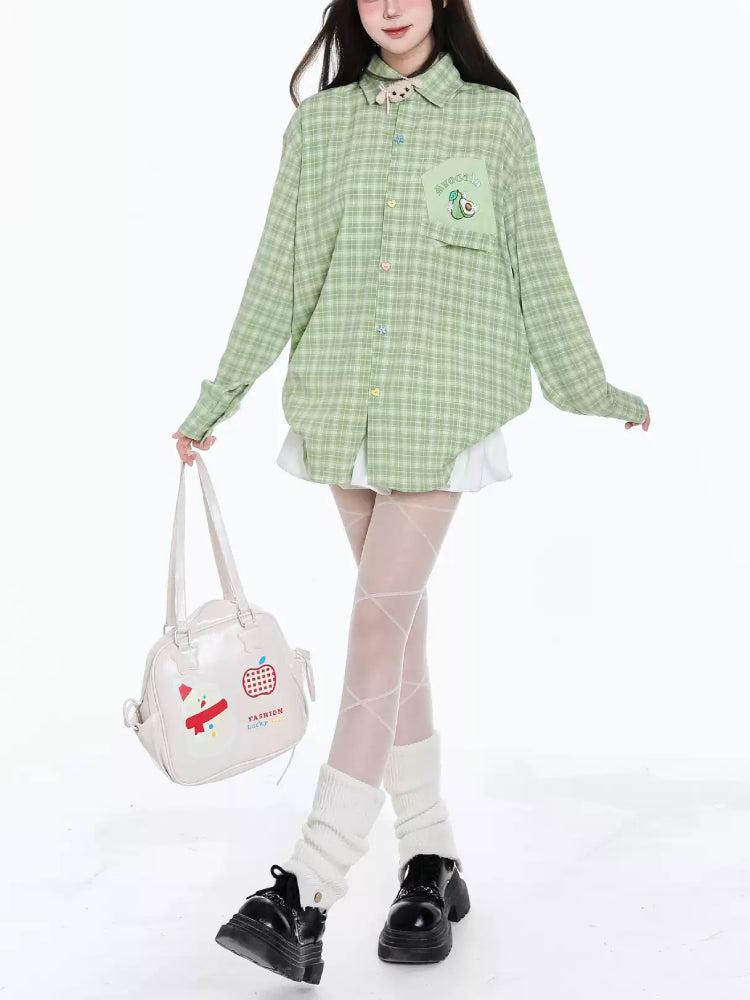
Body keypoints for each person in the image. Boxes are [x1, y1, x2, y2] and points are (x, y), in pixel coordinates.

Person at [172, 0, 650, 985]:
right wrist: (217, 398)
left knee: (375, 628)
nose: (392, 6)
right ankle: (431, 856)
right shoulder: (319, 128)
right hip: (344, 407)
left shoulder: (491, 121)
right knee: (398, 636)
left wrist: (594, 390)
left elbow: (537, 266)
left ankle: (306, 888)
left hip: (444, 409)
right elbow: (279, 275)